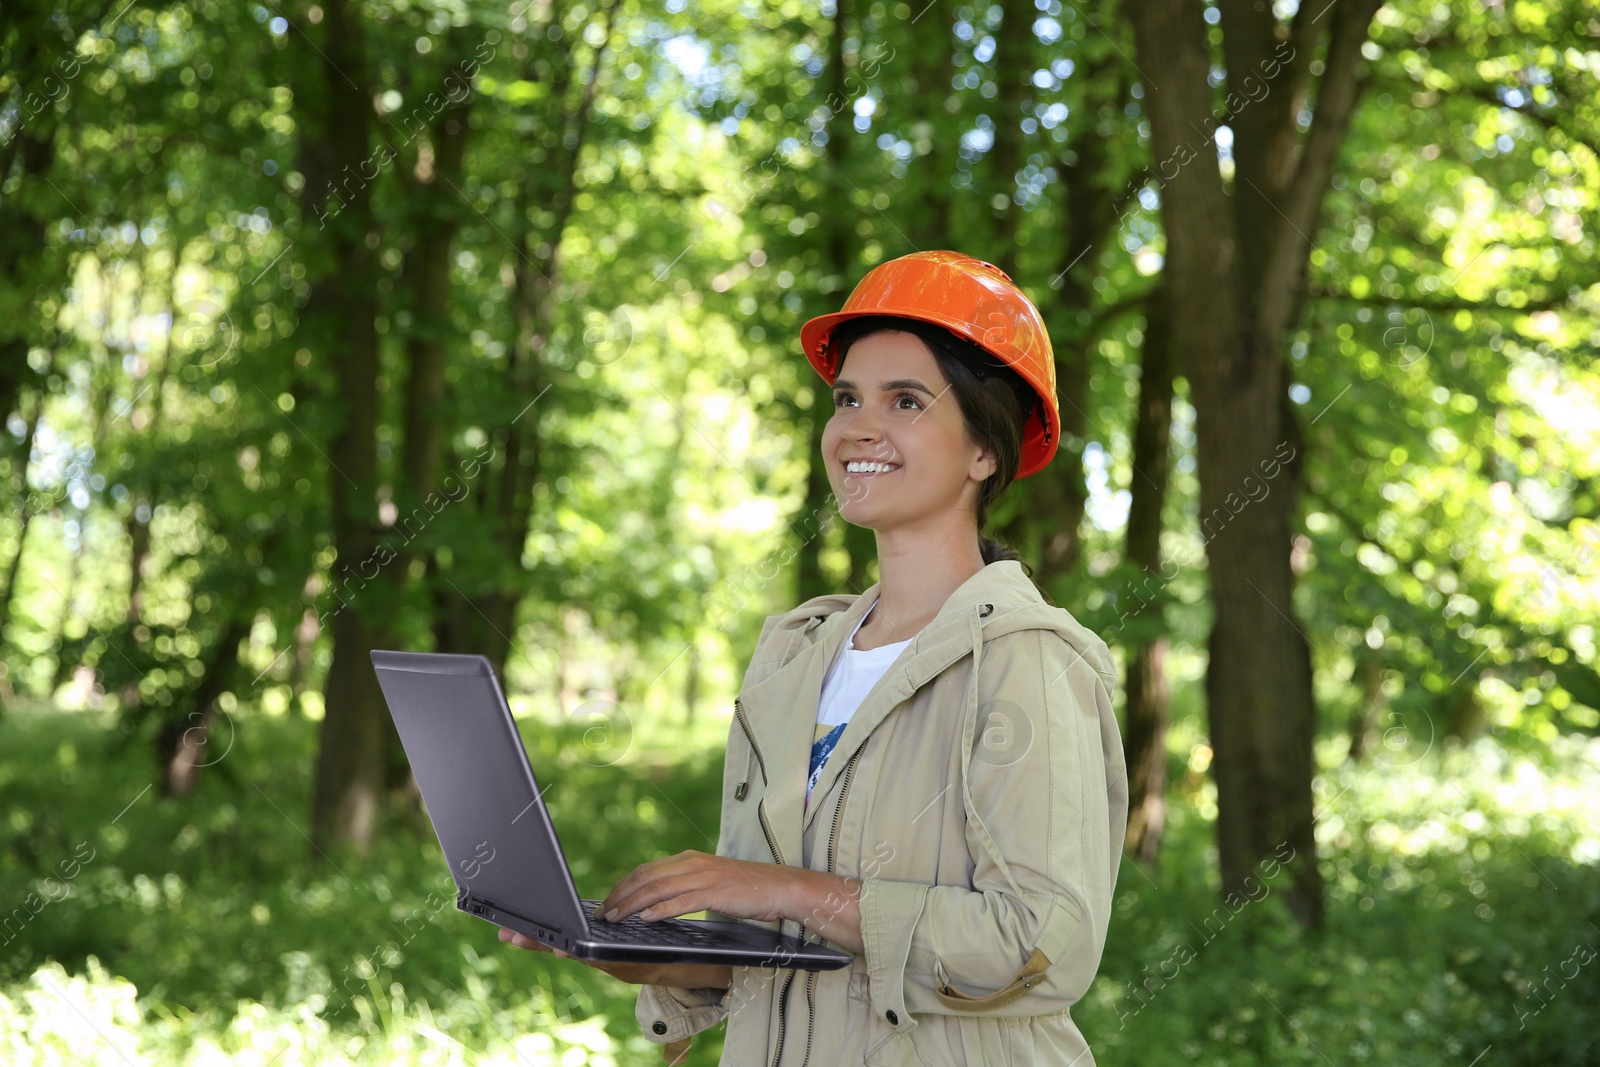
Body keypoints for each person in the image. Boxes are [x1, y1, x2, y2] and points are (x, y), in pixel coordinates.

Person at [499, 250, 1128, 1066]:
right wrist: (615, 946)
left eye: (906, 400)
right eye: (847, 398)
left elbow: (1043, 945)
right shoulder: (795, 657)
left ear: (984, 449)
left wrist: (776, 887)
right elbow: (770, 948)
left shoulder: (1028, 661)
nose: (858, 426)